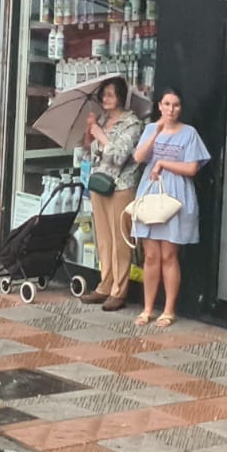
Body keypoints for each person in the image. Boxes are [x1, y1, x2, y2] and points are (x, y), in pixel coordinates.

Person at [130, 87, 210, 328]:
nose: (171, 109)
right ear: (159, 106)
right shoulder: (150, 129)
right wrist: (155, 133)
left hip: (176, 194)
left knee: (169, 254)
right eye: (167, 104)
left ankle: (169, 308)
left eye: (175, 105)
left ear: (181, 108)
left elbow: (193, 168)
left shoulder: (189, 133)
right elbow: (139, 157)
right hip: (152, 192)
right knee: (151, 255)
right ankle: (147, 308)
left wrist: (164, 163)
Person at [80, 77, 144, 311]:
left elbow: (119, 156)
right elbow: (90, 152)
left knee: (120, 239)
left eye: (110, 94)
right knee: (103, 238)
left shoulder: (132, 124)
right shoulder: (103, 120)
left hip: (121, 186)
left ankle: (120, 289)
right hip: (99, 183)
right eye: (103, 94)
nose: (106, 99)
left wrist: (99, 133)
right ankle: (104, 284)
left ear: (121, 97)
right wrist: (91, 131)